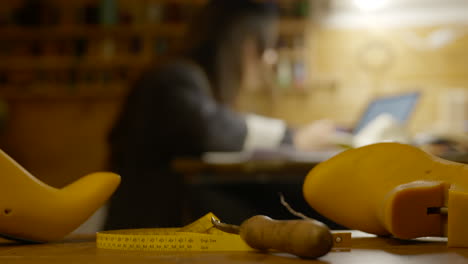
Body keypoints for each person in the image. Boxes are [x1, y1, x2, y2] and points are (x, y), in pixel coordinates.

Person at [104, 0, 336, 230]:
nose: (270, 58)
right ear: (243, 42)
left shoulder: (184, 77)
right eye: (266, 45)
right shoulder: (173, 77)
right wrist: (290, 137)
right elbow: (210, 129)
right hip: (146, 237)